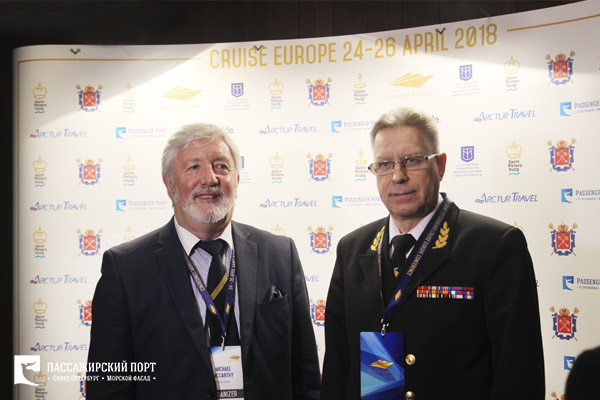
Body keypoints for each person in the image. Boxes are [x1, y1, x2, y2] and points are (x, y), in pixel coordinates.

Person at [320, 107, 545, 399]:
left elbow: (519, 377)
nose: (398, 176)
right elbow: (337, 371)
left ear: (440, 165)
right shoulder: (351, 249)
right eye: (385, 164)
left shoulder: (495, 247)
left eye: (412, 161)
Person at [87, 123, 320, 400]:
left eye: (221, 166)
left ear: (237, 179)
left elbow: (305, 375)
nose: (210, 178)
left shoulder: (281, 254)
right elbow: (109, 387)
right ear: (169, 183)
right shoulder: (125, 269)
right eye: (193, 167)